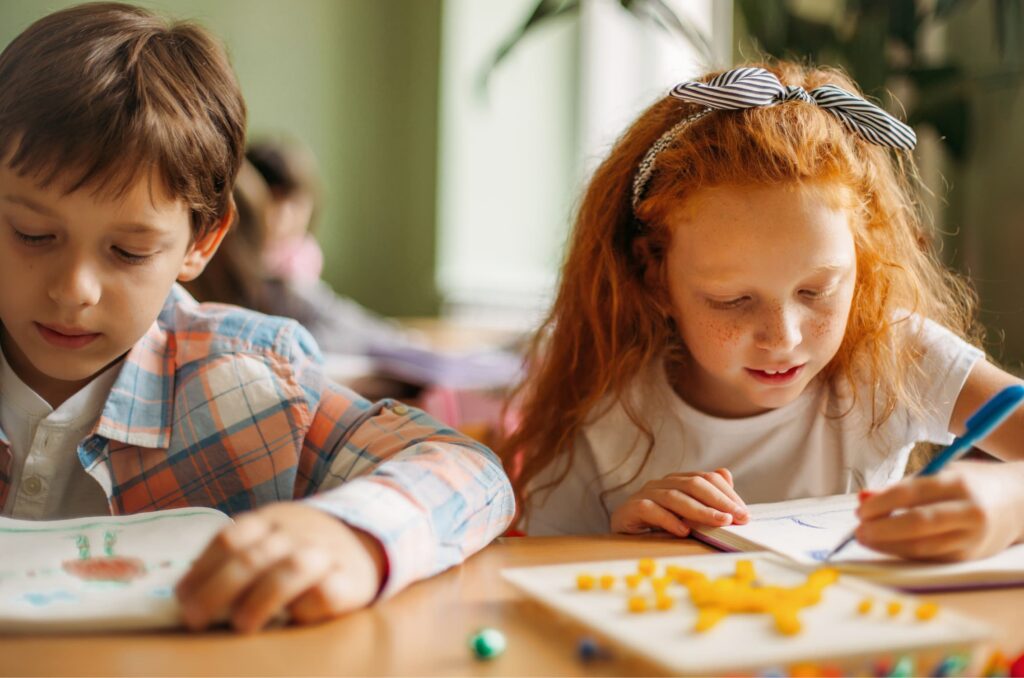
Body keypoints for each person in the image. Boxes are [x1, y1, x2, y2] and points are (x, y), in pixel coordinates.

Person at [0, 2, 514, 633]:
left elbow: (470, 471)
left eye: (129, 252)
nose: (74, 290)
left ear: (201, 244)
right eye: (31, 234)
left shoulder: (252, 382)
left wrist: (351, 536)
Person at [501, 62, 1024, 563]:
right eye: (732, 301)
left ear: (861, 262)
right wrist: (624, 544)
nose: (782, 337)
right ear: (654, 275)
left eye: (818, 290)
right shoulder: (603, 399)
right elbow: (535, 579)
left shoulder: (892, 352)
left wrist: (1011, 500)